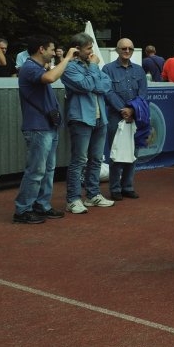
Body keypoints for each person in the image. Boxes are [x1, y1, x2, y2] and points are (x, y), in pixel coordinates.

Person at [12, 36, 78, 224]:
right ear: (41, 49)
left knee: (48, 170)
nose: (54, 52)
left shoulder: (38, 67)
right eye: (52, 49)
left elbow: (50, 75)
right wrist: (67, 58)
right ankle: (23, 210)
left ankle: (41, 205)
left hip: (47, 125)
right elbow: (50, 78)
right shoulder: (29, 67)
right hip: (37, 127)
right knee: (36, 170)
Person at [62, 32, 115, 214]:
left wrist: (92, 79)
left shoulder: (91, 66)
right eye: (88, 48)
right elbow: (85, 86)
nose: (92, 52)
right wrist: (93, 69)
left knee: (96, 159)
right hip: (81, 118)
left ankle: (93, 195)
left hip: (100, 118)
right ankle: (73, 199)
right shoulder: (69, 67)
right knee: (79, 160)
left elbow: (106, 84)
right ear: (77, 49)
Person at [102, 38, 148, 201]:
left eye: (130, 48)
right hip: (116, 117)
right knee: (116, 153)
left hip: (135, 116)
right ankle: (115, 188)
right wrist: (123, 109)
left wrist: (132, 110)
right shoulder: (107, 69)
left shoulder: (139, 70)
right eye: (123, 48)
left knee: (133, 153)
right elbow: (107, 92)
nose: (127, 51)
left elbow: (143, 93)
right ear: (117, 50)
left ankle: (127, 187)